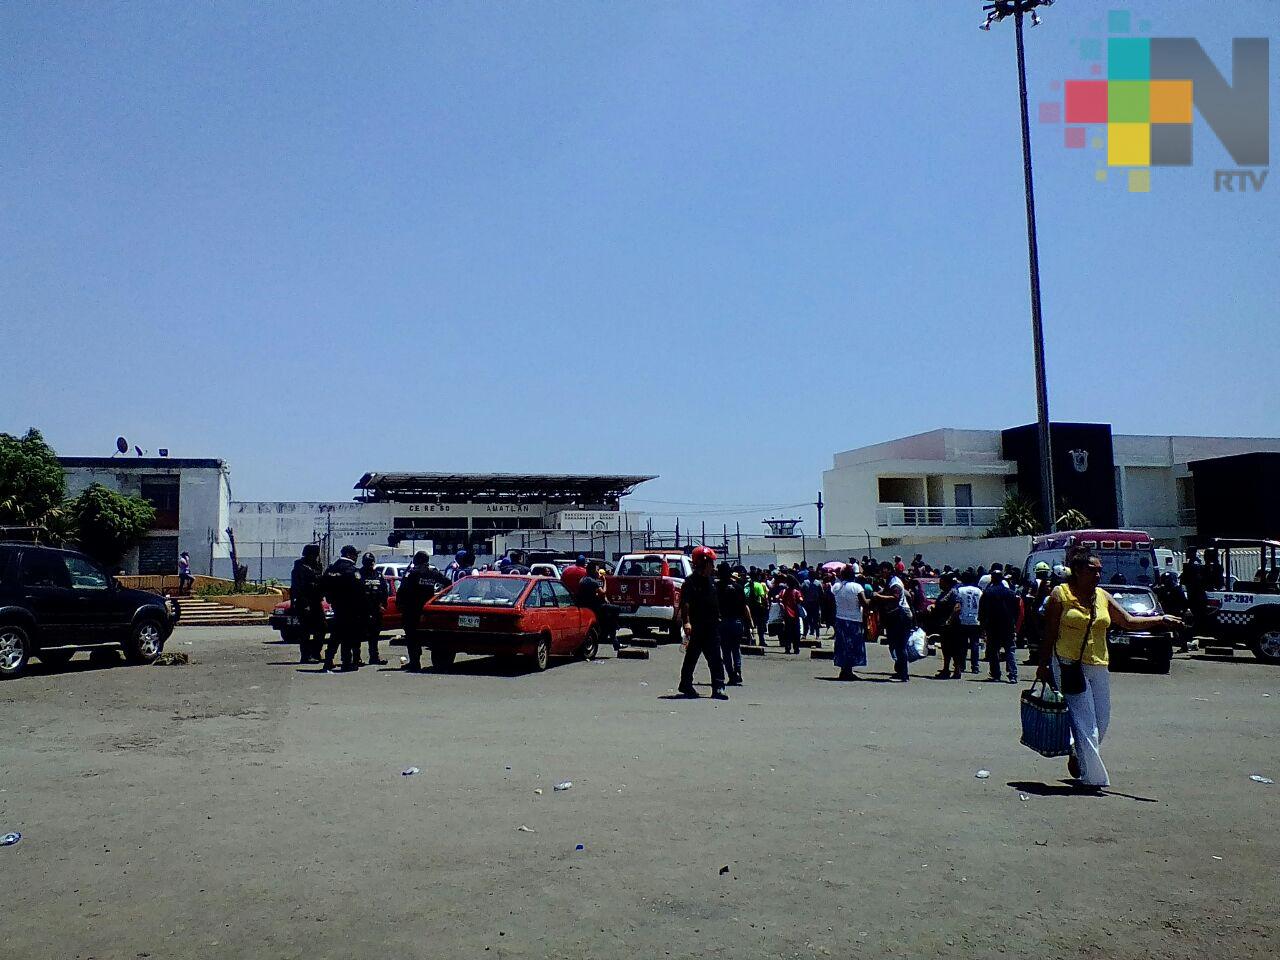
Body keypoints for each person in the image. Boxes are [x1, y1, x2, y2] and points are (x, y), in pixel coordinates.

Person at [1037, 546, 1181, 790]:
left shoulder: (1102, 596)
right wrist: (1043, 666)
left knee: (1102, 721)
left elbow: (1128, 621)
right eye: (1093, 571)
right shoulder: (1059, 595)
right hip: (1069, 665)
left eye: (1099, 571)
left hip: (1098, 664)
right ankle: (1092, 777)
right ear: (1078, 571)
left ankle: (1076, 752)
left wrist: (1161, 620)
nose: (1098, 575)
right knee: (1086, 722)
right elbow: (1049, 634)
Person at [677, 546, 728, 700]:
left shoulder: (712, 581)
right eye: (711, 563)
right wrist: (686, 623)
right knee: (692, 657)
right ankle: (685, 684)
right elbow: (685, 604)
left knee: (715, 659)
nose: (713, 566)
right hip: (697, 626)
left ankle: (718, 687)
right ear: (703, 563)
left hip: (712, 626)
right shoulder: (690, 582)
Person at [321, 545, 366, 672]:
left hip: (336, 607)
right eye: (355, 555)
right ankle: (346, 663)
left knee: (335, 636)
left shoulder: (331, 569)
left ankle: (328, 661)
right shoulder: (352, 571)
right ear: (349, 555)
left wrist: (331, 599)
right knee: (349, 636)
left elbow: (323, 586)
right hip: (351, 609)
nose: (356, 557)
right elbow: (360, 590)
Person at [396, 551, 441, 672]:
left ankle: (415, 662)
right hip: (428, 610)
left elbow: (402, 590)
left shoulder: (412, 573)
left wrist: (399, 604)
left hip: (412, 610)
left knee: (412, 637)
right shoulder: (433, 573)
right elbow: (447, 583)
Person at [873, 561, 913, 682]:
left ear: (889, 570)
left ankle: (904, 674)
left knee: (900, 645)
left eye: (883, 570)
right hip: (895, 615)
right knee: (894, 644)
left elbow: (895, 598)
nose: (881, 573)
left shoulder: (895, 582)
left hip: (901, 614)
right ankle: (900, 669)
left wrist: (878, 597)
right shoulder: (889, 582)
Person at [979, 567, 1020, 683]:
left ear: (992, 579)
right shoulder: (1011, 593)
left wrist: (982, 626)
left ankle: (996, 674)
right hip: (1008, 626)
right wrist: (1014, 623)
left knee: (993, 651)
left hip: (993, 626)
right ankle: (1013, 675)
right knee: (1010, 650)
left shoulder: (987, 593)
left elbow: (982, 611)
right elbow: (1017, 610)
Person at [715, 562, 752, 686]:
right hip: (737, 621)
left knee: (725, 651)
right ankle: (738, 671)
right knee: (736, 649)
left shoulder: (717, 587)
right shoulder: (738, 587)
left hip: (723, 621)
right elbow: (745, 606)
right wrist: (749, 622)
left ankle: (731, 675)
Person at [290, 544, 326, 664]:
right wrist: (304, 604)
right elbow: (297, 588)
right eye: (315, 554)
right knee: (305, 631)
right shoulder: (300, 568)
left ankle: (316, 652)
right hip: (304, 602)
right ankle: (305, 655)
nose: (317, 557)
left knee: (321, 628)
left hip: (316, 601)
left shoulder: (316, 566)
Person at [831, 564, 867, 680]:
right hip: (854, 620)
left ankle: (844, 670)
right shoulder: (857, 587)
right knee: (853, 646)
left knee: (842, 646)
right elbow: (864, 603)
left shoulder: (836, 587)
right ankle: (849, 671)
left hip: (840, 619)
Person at [575, 564, 621, 653]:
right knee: (616, 609)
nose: (598, 572)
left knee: (609, 618)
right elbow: (603, 592)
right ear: (592, 571)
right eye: (597, 570)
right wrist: (604, 581)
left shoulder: (583, 580)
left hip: (586, 605)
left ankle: (614, 637)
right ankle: (615, 626)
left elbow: (594, 594)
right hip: (595, 607)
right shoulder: (592, 581)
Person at [358, 552, 390, 666]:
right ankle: (356, 658)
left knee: (374, 635)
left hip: (376, 610)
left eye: (371, 562)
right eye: (367, 563)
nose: (369, 565)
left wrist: (383, 605)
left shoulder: (378, 575)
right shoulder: (358, 574)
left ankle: (374, 657)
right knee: (358, 635)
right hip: (362, 610)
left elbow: (384, 592)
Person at [950, 570, 983, 674]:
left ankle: (962, 665)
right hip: (975, 619)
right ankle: (975, 666)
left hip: (963, 619)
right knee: (975, 644)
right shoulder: (979, 591)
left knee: (962, 644)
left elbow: (958, 604)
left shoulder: (960, 590)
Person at [933, 572, 963, 679]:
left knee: (954, 647)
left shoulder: (953, 592)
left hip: (952, 625)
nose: (939, 584)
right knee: (945, 648)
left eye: (941, 582)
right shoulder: (944, 593)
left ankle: (957, 670)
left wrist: (949, 620)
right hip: (944, 625)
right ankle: (946, 669)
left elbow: (957, 607)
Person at [776, 574, 804, 655]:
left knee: (787, 632)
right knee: (796, 632)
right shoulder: (796, 592)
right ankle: (796, 648)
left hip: (786, 614)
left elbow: (778, 598)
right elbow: (800, 599)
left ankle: (787, 648)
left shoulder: (783, 591)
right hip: (795, 614)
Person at [747, 570, 769, 646]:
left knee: (751, 624)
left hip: (750, 607)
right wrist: (766, 605)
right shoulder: (758, 585)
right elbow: (763, 596)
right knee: (760, 625)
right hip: (759, 607)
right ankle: (761, 641)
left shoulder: (747, 585)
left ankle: (752, 641)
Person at [801, 573, 823, 640]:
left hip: (811, 603)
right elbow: (821, 594)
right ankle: (814, 635)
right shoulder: (818, 583)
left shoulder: (806, 582)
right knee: (811, 620)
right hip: (811, 604)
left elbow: (801, 591)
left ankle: (809, 634)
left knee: (810, 620)